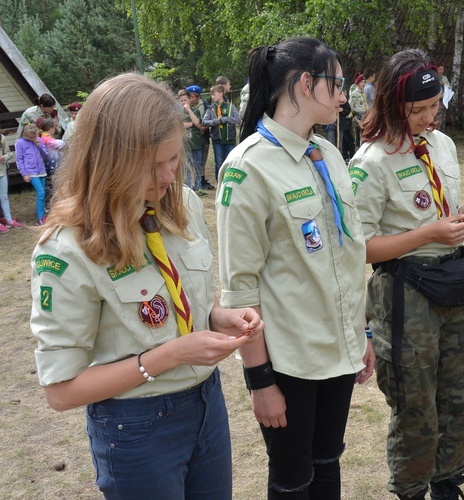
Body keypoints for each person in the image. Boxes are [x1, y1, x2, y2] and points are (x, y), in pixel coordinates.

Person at [29, 72, 263, 499]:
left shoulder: (183, 206)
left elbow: (183, 301)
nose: (169, 176)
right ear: (107, 161)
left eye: (174, 159)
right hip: (135, 426)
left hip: (207, 405)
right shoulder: (68, 250)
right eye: (152, 166)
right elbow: (60, 391)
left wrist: (219, 317)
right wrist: (167, 356)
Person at [216, 38, 374, 499]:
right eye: (337, 84)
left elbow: (346, 257)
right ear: (307, 84)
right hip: (290, 361)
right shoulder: (247, 168)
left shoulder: (327, 154)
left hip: (337, 350)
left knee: (328, 464)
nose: (344, 96)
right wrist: (259, 380)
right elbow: (239, 289)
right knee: (292, 478)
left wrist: (359, 334)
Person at [350, 48, 464, 500]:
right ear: (392, 105)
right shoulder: (370, 162)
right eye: (418, 110)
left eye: (434, 106)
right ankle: (410, 489)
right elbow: (362, 248)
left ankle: (448, 481)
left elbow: (440, 210)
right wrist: (428, 233)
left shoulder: (442, 144)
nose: (430, 117)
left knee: (461, 395)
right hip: (406, 295)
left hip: (452, 285)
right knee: (416, 406)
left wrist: (463, 216)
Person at [202, 84, 241, 180]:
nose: (212, 96)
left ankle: (231, 182)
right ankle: (220, 182)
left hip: (229, 140)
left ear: (221, 94)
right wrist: (215, 121)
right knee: (219, 163)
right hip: (217, 141)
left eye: (214, 94)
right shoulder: (211, 109)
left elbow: (238, 120)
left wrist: (226, 119)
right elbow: (204, 121)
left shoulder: (230, 107)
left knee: (231, 162)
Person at [15, 124, 48, 226]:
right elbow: (19, 160)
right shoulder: (20, 143)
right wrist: (24, 174)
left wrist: (39, 145)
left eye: (35, 136)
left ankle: (42, 213)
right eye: (31, 137)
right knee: (41, 192)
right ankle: (40, 218)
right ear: (25, 134)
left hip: (41, 170)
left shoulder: (38, 139)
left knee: (43, 194)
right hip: (31, 171)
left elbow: (46, 154)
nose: (33, 139)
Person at [186, 85, 214, 190]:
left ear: (199, 97)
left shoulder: (206, 106)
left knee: (202, 160)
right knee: (190, 161)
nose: (192, 99)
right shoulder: (186, 107)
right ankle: (192, 183)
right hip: (191, 137)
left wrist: (205, 127)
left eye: (195, 96)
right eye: (191, 96)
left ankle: (201, 180)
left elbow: (210, 117)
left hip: (203, 137)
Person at [177, 89, 204, 195]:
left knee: (197, 165)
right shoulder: (178, 114)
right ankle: (187, 188)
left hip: (196, 142)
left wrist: (189, 110)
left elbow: (197, 122)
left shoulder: (195, 111)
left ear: (189, 100)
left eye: (185, 100)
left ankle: (198, 187)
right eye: (181, 101)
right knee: (187, 167)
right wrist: (190, 124)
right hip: (185, 144)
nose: (184, 103)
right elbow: (178, 125)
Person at [0, 133, 22, 232]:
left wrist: (4, 157)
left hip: (2, 171)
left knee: (4, 196)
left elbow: (9, 153)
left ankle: (9, 220)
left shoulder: (2, 137)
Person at [349, 75, 367, 146]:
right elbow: (351, 107)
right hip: (358, 116)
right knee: (357, 136)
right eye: (362, 82)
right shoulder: (354, 94)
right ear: (357, 83)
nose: (364, 84)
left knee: (364, 135)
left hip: (364, 116)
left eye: (364, 82)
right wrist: (356, 119)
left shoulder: (363, 93)